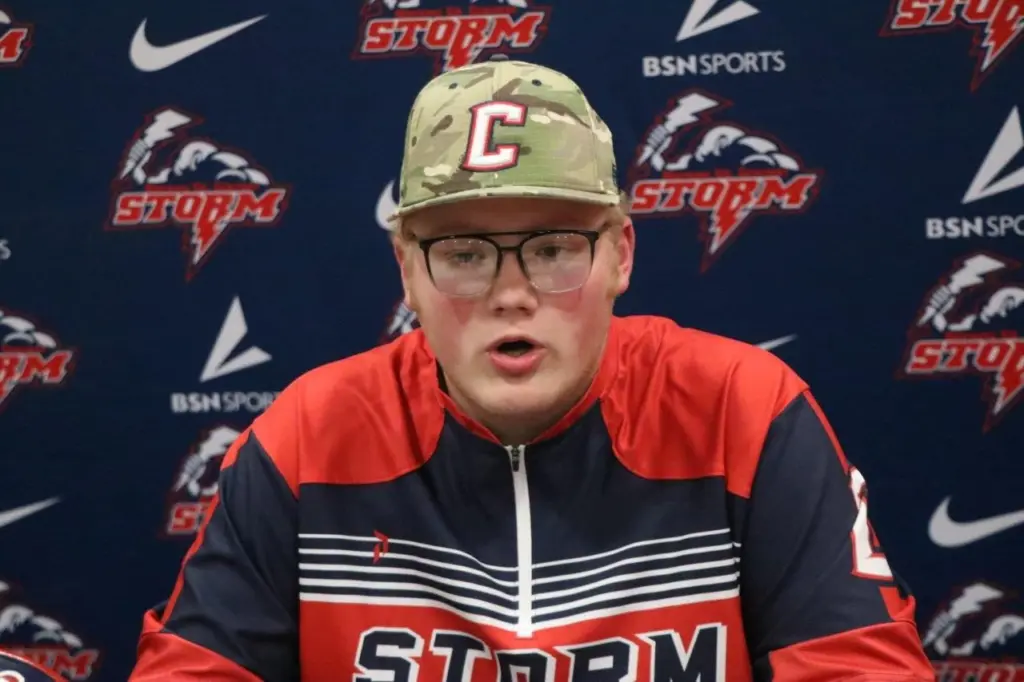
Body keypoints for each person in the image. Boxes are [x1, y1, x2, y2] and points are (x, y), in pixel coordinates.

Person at [129, 55, 934, 681]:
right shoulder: (310, 436)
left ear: (621, 255)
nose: (511, 294)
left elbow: (858, 666)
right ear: (407, 270)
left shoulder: (742, 411)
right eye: (464, 252)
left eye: (553, 249)